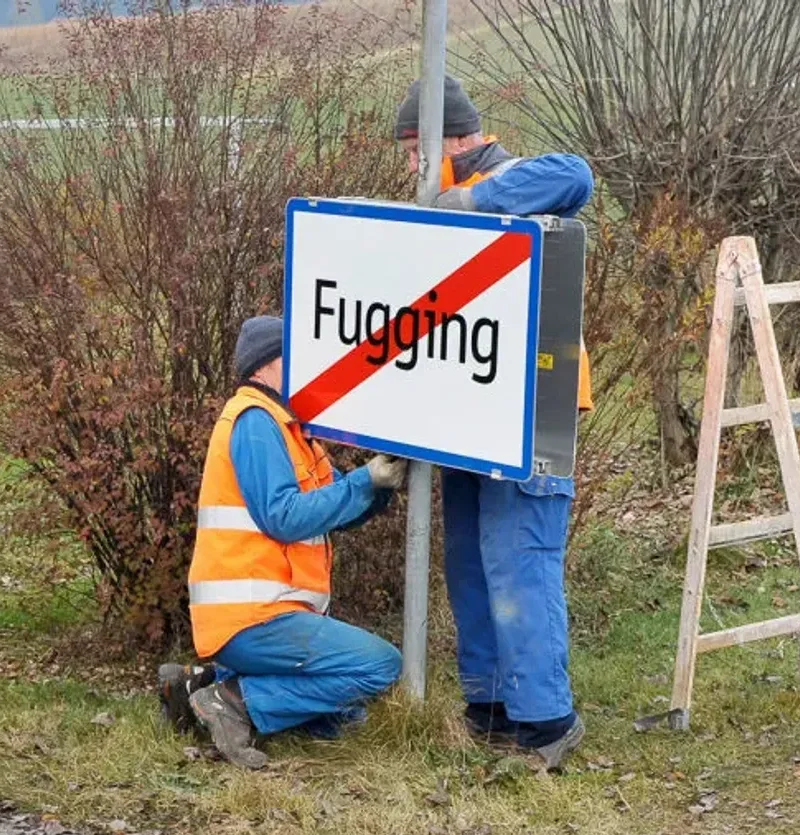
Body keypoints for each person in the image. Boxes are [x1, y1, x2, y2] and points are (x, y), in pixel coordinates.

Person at [394, 75, 595, 769]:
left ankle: (545, 723)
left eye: (415, 149)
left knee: (519, 558)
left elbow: (577, 175)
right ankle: (489, 708)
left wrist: (469, 200)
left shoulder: (510, 179)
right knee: (472, 561)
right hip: (464, 404)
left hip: (531, 404)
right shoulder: (432, 199)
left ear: (453, 139)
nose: (409, 165)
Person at [160, 315, 407, 769]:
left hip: (267, 615)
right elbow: (284, 517)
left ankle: (197, 687)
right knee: (381, 666)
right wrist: (362, 481)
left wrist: (378, 486)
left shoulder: (293, 429)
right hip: (253, 618)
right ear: (265, 366)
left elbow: (334, 508)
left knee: (343, 716)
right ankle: (232, 701)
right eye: (294, 359)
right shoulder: (256, 421)